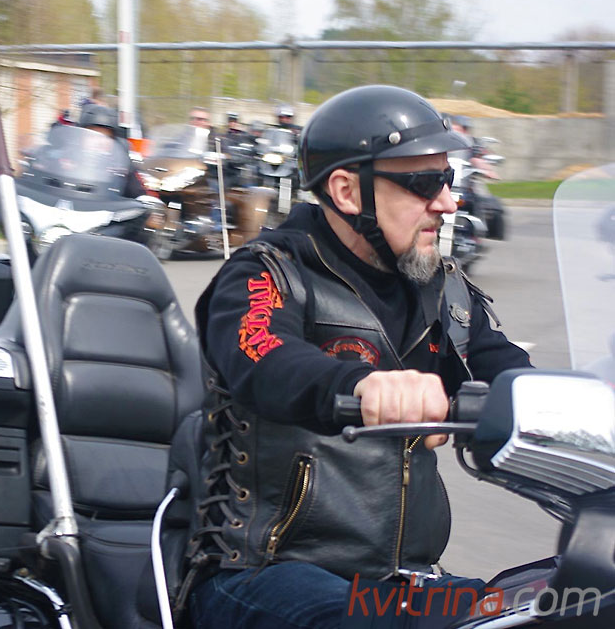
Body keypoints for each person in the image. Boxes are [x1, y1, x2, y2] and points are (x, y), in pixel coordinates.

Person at [184, 85, 532, 628]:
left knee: (545, 605)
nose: (447, 202)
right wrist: (361, 385)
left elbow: (519, 379)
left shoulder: (446, 291)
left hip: (403, 582)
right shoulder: (266, 275)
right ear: (347, 191)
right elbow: (267, 359)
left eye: (448, 179)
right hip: (264, 573)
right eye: (424, 183)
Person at [77, 103, 146, 199]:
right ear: (81, 137)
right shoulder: (68, 160)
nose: (99, 142)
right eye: (92, 136)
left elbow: (138, 195)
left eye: (106, 137)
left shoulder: (121, 167)